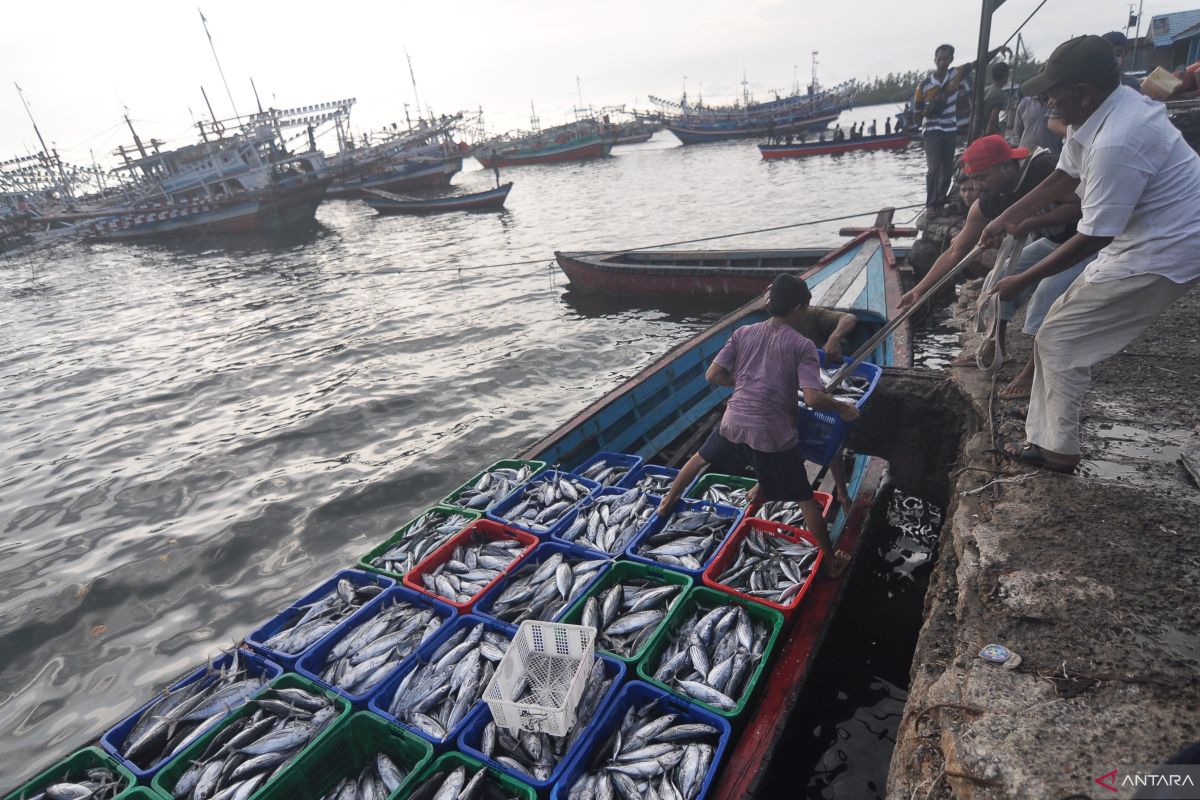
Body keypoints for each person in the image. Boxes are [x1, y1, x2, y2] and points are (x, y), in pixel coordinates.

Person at [980, 35, 1200, 472]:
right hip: (1140, 239)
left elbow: (1095, 235)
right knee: (1057, 327)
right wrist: (1009, 215)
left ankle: (1058, 450)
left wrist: (1021, 280)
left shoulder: (1118, 140)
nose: (1046, 102)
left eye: (1052, 92)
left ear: (1082, 90)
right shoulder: (1096, 115)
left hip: (1169, 249)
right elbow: (1066, 174)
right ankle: (1044, 437)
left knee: (1061, 336)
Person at [655, 275, 859, 577]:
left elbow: (713, 376)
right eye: (807, 305)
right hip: (772, 435)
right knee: (805, 498)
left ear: (770, 305)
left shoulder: (743, 332)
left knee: (699, 458)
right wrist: (843, 407)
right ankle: (831, 563)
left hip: (733, 423)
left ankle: (666, 503)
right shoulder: (802, 345)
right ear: (800, 308)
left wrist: (748, 382)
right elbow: (814, 399)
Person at [899, 134, 1092, 399]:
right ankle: (994, 344)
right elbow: (956, 250)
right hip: (1055, 242)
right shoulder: (989, 200)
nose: (977, 187)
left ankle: (1035, 369)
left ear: (1006, 166)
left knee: (1047, 295)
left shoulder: (1043, 168)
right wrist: (919, 291)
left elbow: (1081, 208)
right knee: (995, 279)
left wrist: (1026, 224)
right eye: (974, 179)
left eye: (983, 178)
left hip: (1089, 243)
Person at [914, 44, 972, 207]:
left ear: (951, 60)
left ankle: (940, 198)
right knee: (934, 168)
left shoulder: (956, 74)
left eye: (945, 59)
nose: (942, 62)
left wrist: (999, 50)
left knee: (947, 168)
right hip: (931, 131)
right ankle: (931, 204)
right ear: (935, 60)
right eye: (939, 59)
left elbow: (978, 62)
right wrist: (928, 117)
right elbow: (917, 115)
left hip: (950, 129)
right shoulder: (924, 85)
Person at [983, 62, 1011, 135]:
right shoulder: (999, 94)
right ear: (1005, 75)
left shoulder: (987, 89)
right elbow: (991, 122)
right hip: (989, 133)